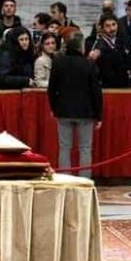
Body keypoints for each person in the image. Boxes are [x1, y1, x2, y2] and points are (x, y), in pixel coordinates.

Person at [47, 32, 103, 177]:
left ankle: (65, 179)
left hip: (63, 111)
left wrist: (53, 107)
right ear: (80, 47)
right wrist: (99, 115)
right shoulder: (89, 64)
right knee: (85, 148)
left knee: (64, 147)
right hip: (85, 112)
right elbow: (96, 92)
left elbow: (52, 88)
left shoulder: (58, 62)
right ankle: (85, 179)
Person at [87, 13, 129, 88]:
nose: (112, 28)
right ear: (102, 28)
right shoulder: (97, 44)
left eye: (114, 24)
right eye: (107, 26)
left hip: (122, 84)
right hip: (106, 86)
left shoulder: (121, 41)